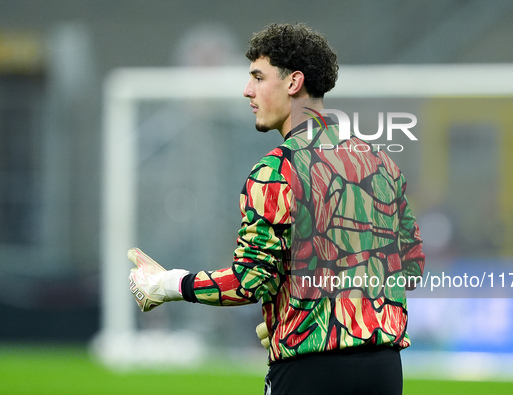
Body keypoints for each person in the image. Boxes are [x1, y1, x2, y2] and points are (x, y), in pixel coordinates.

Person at [128, 22, 425, 394]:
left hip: (309, 373)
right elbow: (411, 269)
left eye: (257, 77)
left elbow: (251, 281)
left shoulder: (277, 169)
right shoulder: (381, 162)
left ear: (293, 82)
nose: (247, 91)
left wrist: (167, 284)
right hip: (384, 371)